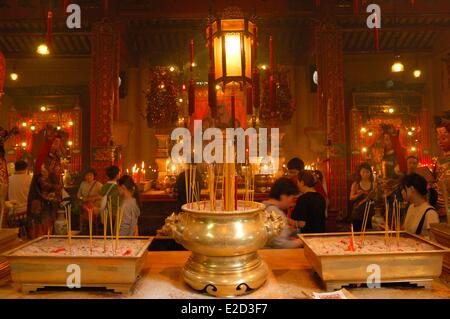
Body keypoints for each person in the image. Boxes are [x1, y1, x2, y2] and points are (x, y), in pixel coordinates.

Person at [264, 177, 302, 249]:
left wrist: (290, 231)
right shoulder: (275, 212)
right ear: (283, 196)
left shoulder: (265, 207)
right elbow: (281, 244)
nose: (292, 203)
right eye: (292, 198)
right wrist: (304, 241)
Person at [402, 173, 439, 238]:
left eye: (405, 189)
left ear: (411, 189)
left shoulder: (430, 213)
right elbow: (406, 231)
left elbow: (434, 241)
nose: (402, 192)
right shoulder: (411, 207)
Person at [349, 163, 376, 231]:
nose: (365, 174)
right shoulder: (356, 184)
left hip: (370, 214)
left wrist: (373, 196)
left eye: (367, 172)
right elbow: (351, 198)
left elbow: (376, 198)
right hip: (358, 214)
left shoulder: (374, 184)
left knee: (369, 236)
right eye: (363, 172)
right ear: (360, 173)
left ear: (370, 173)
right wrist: (359, 194)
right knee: (357, 236)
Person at [7, 160, 32, 232]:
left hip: (13, 214)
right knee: (28, 239)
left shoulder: (9, 179)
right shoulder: (29, 179)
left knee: (16, 240)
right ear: (26, 168)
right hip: (25, 212)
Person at [77, 169, 103, 234]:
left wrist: (95, 198)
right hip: (85, 204)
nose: (89, 177)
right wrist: (83, 198)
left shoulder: (98, 184)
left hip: (95, 205)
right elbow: (78, 196)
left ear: (94, 176)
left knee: (91, 211)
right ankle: (86, 230)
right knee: (86, 211)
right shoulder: (82, 184)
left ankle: (92, 229)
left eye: (90, 175)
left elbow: (103, 196)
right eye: (87, 175)